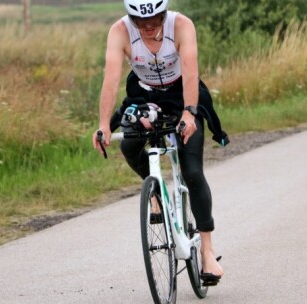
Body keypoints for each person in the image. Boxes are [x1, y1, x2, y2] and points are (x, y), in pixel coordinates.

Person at [92, 0, 226, 284]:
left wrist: (190, 113)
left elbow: (190, 71)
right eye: (141, 21)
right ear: (131, 18)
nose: (149, 26)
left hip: (182, 96)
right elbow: (111, 78)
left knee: (192, 171)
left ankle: (207, 250)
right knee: (129, 146)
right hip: (144, 96)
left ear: (164, 13)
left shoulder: (181, 25)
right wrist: (104, 124)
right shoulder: (119, 32)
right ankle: (155, 192)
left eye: (155, 18)